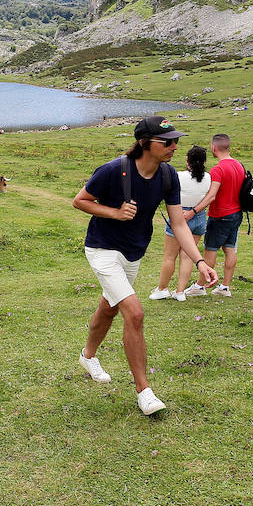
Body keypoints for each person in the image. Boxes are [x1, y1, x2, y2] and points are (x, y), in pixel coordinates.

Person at [72, 117, 217, 415]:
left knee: (111, 306)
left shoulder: (168, 176)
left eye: (176, 141)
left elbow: (178, 223)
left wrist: (200, 261)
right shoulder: (114, 170)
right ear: (144, 142)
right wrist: (114, 212)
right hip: (102, 249)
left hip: (133, 252)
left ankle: (88, 355)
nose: (174, 146)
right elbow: (80, 200)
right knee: (134, 313)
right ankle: (144, 391)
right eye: (166, 142)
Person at [185, 133, 245, 300]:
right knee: (230, 249)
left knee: (210, 250)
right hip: (236, 214)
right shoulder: (238, 165)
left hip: (220, 215)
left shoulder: (218, 169)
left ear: (214, 148)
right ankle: (225, 287)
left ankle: (200, 286)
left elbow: (211, 196)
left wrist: (193, 211)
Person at [149, 145, 211, 302]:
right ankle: (180, 291)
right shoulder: (208, 178)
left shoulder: (178, 176)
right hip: (199, 216)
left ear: (187, 161)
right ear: (204, 161)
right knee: (188, 256)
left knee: (170, 256)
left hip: (179, 215)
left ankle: (162, 289)